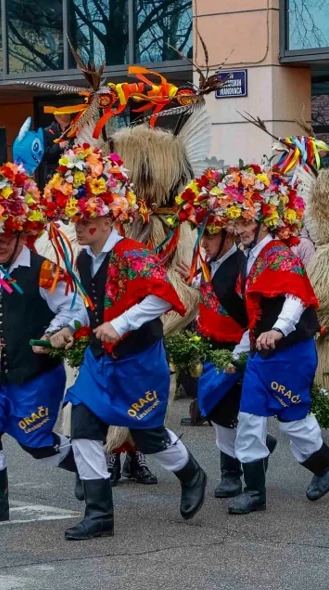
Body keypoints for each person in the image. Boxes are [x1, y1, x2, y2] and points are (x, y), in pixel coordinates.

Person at [63, 158, 209, 538]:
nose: (78, 227)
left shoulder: (132, 253)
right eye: (76, 220)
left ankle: (192, 474)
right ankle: (99, 515)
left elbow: (164, 297)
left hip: (138, 358)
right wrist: (68, 327)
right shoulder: (82, 257)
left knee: (146, 434)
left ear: (109, 221)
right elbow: (87, 305)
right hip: (100, 358)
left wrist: (121, 323)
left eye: (85, 220)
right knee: (83, 426)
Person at [0, 161, 85, 528]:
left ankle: (88, 468)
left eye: (6, 236)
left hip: (35, 372)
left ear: (23, 234)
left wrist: (57, 332)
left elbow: (75, 311)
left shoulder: (45, 270)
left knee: (36, 442)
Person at [226, 177, 329, 517]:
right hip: (263, 356)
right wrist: (240, 351)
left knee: (294, 422)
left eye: (245, 221)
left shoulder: (278, 254)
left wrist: (278, 331)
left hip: (290, 353)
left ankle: (326, 463)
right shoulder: (251, 257)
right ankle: (255, 493)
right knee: (248, 419)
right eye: (236, 221)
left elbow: (296, 297)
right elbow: (254, 314)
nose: (239, 229)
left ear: (265, 221)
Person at [175, 173, 281, 503]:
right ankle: (240, 464)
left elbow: (248, 308)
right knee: (217, 409)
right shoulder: (207, 262)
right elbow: (208, 291)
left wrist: (244, 348)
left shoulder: (243, 264)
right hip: (210, 345)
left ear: (229, 235)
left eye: (211, 235)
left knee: (238, 412)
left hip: (239, 346)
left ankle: (234, 473)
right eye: (202, 236)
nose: (203, 242)